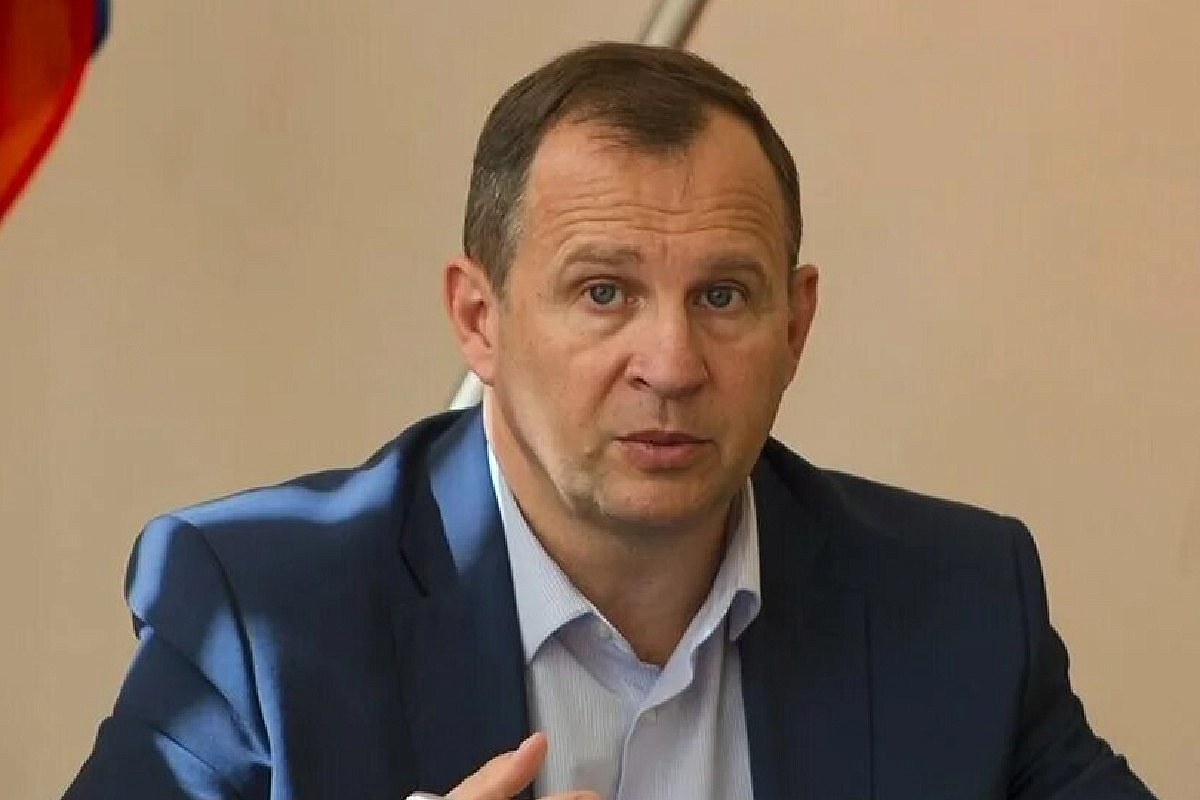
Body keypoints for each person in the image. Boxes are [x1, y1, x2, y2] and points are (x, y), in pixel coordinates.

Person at [62, 42, 1155, 800]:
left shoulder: (958, 605)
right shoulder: (261, 611)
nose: (671, 364)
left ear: (796, 324)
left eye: (722, 294)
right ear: (479, 319)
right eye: (603, 292)